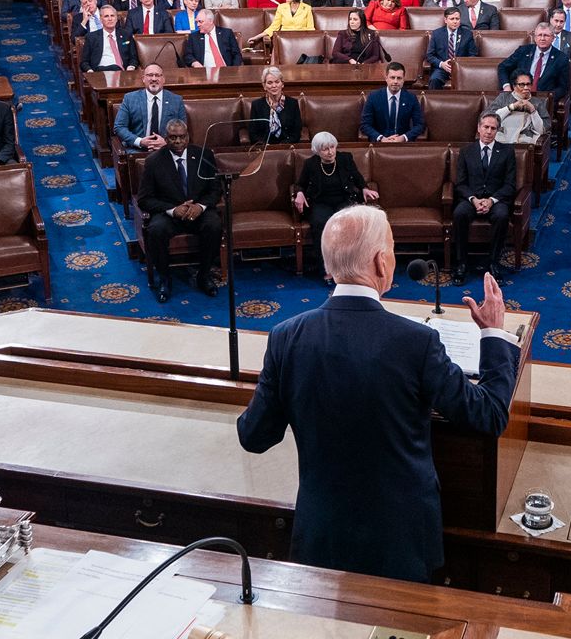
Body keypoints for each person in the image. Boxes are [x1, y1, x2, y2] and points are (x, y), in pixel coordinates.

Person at [237, 202, 518, 582]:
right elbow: (489, 415)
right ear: (381, 263)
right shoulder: (416, 342)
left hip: (323, 533)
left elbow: (254, 436)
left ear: (328, 265)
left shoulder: (286, 337)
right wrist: (493, 333)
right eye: (392, 246)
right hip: (399, 541)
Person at [137, 119, 222, 301]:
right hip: (169, 214)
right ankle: (165, 278)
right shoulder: (154, 162)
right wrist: (173, 210)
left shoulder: (203, 155)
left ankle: (204, 275)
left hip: (198, 211)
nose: (177, 141)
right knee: (155, 230)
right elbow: (144, 199)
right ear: (166, 138)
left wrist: (200, 206)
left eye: (181, 137)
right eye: (173, 137)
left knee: (214, 224)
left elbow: (216, 189)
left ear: (188, 137)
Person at [293, 133, 376, 281]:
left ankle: (350, 266)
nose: (330, 152)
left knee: (349, 223)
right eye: (325, 149)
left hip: (344, 199)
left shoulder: (345, 158)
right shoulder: (310, 164)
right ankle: (327, 268)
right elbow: (300, 184)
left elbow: (357, 176)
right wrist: (299, 193)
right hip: (320, 202)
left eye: (332, 147)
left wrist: (364, 188)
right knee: (321, 225)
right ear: (317, 151)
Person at [451, 113, 516, 284]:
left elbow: (510, 185)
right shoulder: (466, 152)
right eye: (485, 127)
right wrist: (473, 199)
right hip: (471, 199)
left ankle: (494, 263)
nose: (488, 131)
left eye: (493, 128)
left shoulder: (507, 152)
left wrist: (491, 200)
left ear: (497, 131)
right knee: (459, 214)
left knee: (502, 216)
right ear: (479, 128)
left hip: (496, 200)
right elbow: (461, 184)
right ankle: (461, 263)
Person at [113, 64, 185, 154]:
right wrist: (140, 141)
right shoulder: (130, 98)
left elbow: (182, 129)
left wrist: (167, 142)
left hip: (167, 150)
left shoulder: (176, 100)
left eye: (157, 75)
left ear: (163, 79)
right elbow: (119, 127)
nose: (154, 79)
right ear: (143, 79)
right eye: (150, 75)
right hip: (137, 151)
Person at [497, 24, 570, 101]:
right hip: (517, 97)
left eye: (546, 35)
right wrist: (506, 86)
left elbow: (563, 87)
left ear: (553, 38)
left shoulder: (561, 58)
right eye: (539, 35)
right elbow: (503, 67)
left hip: (542, 101)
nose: (542, 38)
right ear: (535, 38)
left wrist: (549, 98)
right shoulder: (523, 51)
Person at [361, 62, 424, 143]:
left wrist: (404, 137)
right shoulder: (374, 97)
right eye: (392, 77)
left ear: (403, 79)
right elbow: (365, 125)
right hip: (380, 143)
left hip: (402, 144)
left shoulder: (411, 98)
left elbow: (420, 125)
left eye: (399, 78)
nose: (395, 81)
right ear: (386, 78)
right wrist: (381, 138)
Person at [488, 71, 550, 145]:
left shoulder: (537, 102)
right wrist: (512, 107)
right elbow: (490, 119)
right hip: (502, 138)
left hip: (525, 140)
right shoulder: (503, 97)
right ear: (514, 86)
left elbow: (541, 130)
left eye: (528, 84)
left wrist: (533, 111)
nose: (526, 88)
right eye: (522, 85)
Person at [426, 6, 475, 90]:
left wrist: (460, 66)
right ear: (445, 20)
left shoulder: (467, 34)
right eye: (452, 19)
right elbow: (430, 55)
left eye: (457, 19)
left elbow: (473, 55)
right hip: (442, 68)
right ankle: (435, 103)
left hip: (462, 69)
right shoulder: (436, 34)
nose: (455, 21)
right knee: (434, 79)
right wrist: (442, 64)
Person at [249, 66, 302, 144]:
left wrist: (283, 146)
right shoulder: (257, 105)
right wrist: (266, 146)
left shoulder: (292, 104)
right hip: (264, 148)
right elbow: (253, 134)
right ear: (264, 86)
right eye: (270, 83)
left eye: (277, 82)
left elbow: (296, 132)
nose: (274, 86)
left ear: (282, 84)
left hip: (287, 147)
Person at [81, 6, 138, 72]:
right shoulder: (91, 37)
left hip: (122, 72)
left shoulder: (126, 35)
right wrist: (90, 71)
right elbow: (84, 62)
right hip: (100, 73)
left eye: (112, 16)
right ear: (101, 19)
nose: (110, 19)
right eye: (106, 16)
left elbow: (134, 58)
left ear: (116, 19)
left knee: (116, 68)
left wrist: (131, 67)